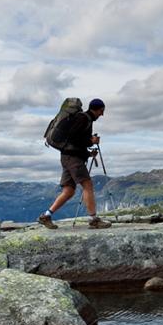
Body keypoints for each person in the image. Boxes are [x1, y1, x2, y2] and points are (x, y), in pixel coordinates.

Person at [38, 98, 111, 229]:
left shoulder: (83, 119)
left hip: (68, 157)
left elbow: (74, 142)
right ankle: (94, 220)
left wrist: (89, 154)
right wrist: (91, 141)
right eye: (102, 111)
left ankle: (46, 216)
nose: (102, 114)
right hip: (72, 159)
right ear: (98, 109)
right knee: (87, 185)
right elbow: (73, 137)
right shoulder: (83, 118)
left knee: (69, 191)